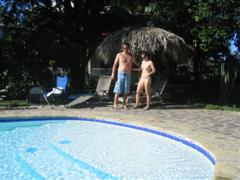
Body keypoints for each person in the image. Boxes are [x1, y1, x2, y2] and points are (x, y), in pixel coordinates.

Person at [111, 42, 139, 109]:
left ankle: (124, 104)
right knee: (118, 89)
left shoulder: (131, 55)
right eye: (124, 48)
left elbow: (135, 63)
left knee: (126, 90)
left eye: (126, 48)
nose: (125, 49)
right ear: (122, 48)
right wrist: (113, 73)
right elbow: (115, 65)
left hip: (128, 74)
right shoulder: (119, 55)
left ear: (128, 48)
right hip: (120, 73)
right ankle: (115, 104)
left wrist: (142, 65)